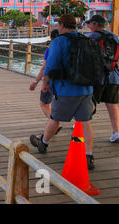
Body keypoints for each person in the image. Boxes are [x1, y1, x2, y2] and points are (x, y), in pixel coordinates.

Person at [30, 14, 96, 169]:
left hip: (65, 88)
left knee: (54, 118)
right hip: (86, 88)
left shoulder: (59, 42)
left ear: (62, 25)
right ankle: (88, 155)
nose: (56, 27)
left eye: (58, 24)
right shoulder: (85, 39)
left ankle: (43, 143)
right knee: (85, 122)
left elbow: (50, 66)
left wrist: (45, 84)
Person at [86, 15, 119, 143]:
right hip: (114, 75)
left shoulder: (93, 37)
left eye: (90, 24)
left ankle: (83, 124)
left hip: (98, 76)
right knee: (112, 104)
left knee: (91, 101)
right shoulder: (114, 37)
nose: (89, 26)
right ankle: (116, 131)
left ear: (95, 24)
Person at [29, 29, 62, 125]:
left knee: (43, 104)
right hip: (63, 80)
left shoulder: (50, 49)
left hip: (51, 80)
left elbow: (44, 67)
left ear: (51, 38)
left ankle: (54, 124)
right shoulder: (64, 48)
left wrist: (36, 82)